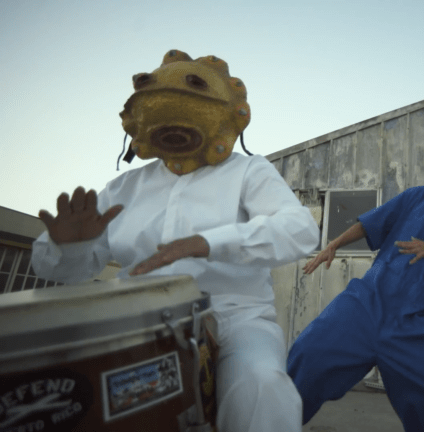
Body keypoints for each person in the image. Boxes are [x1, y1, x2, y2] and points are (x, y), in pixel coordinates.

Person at [31, 50, 319, 432]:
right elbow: (67, 271)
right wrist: (70, 247)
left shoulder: (249, 169)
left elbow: (300, 231)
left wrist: (207, 242)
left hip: (235, 317)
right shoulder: (123, 187)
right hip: (133, 320)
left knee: (262, 388)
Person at [287, 131, 424, 432]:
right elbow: (370, 223)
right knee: (306, 360)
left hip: (417, 321)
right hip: (364, 304)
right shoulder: (418, 196)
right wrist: (333, 244)